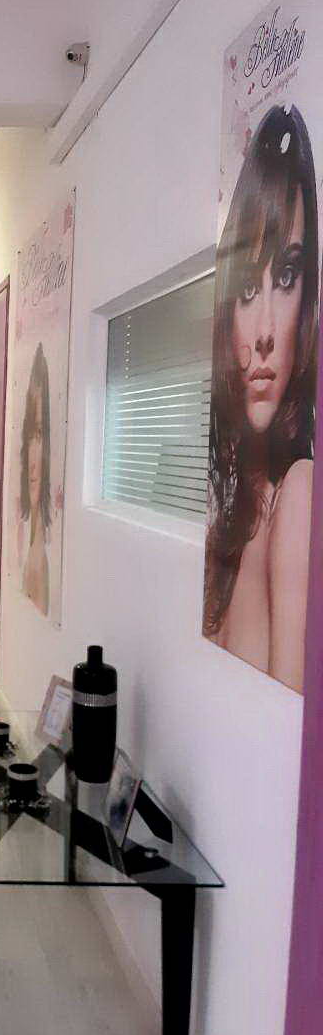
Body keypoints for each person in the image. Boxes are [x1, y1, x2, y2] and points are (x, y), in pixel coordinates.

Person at [204, 104, 319, 691]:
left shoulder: (298, 491)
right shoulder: (236, 507)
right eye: (249, 288)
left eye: (287, 277)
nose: (266, 331)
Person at [19, 342, 51, 616]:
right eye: (30, 434)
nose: (33, 453)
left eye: (40, 433)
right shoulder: (23, 540)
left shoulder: (43, 558)